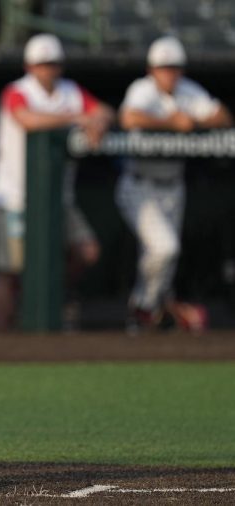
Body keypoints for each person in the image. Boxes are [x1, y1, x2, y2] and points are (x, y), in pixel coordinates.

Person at [0, 33, 113, 332]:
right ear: (29, 66)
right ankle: (0, 335)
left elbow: (105, 110)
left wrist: (98, 122)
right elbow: (26, 119)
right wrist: (79, 118)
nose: (46, 70)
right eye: (40, 64)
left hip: (58, 196)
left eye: (52, 64)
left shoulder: (70, 91)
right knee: (11, 268)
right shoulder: (17, 91)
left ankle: (55, 297)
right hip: (13, 195)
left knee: (87, 251)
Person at [117, 36, 232, 332]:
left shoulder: (188, 92)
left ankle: (147, 315)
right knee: (164, 248)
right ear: (151, 69)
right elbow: (128, 118)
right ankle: (143, 307)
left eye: (174, 67)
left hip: (173, 184)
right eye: (163, 68)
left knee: (163, 257)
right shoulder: (141, 90)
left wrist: (195, 122)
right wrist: (172, 123)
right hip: (139, 183)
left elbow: (223, 116)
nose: (169, 73)